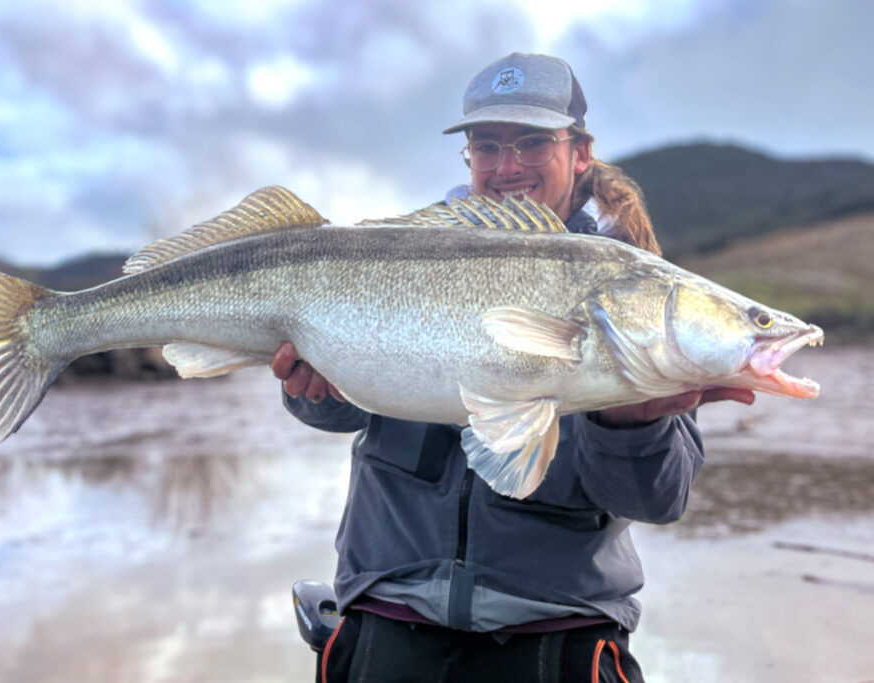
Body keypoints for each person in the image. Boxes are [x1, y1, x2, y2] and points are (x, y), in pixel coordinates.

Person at [271, 53, 754, 682]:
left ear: (580, 151)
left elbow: (658, 499)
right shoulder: (407, 255)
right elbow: (345, 410)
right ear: (467, 155)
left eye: (532, 142)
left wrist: (629, 425)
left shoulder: (633, 291)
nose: (507, 166)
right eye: (487, 144)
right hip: (389, 617)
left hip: (558, 632)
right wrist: (313, 389)